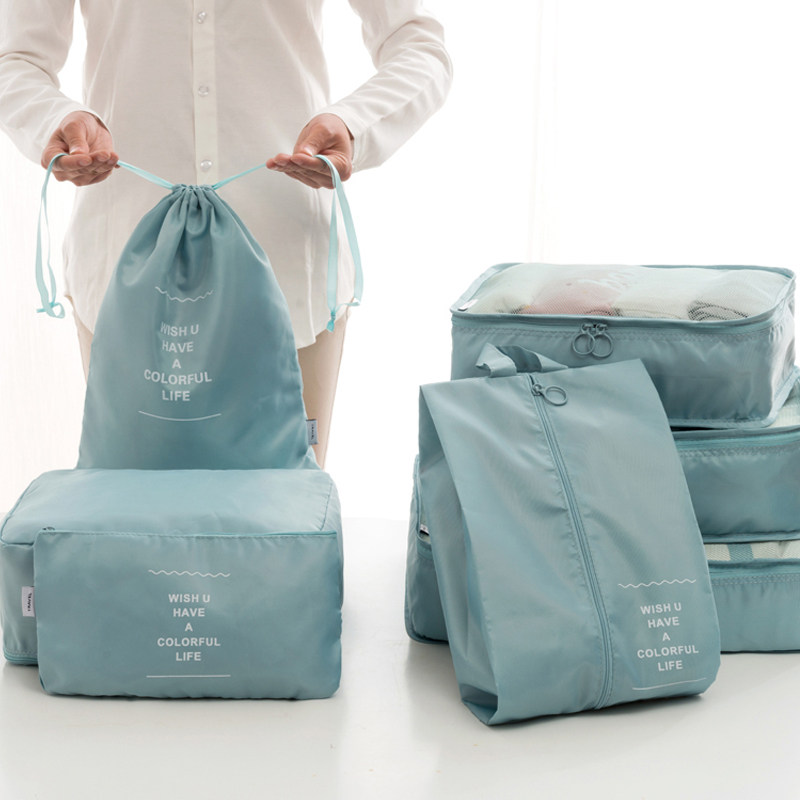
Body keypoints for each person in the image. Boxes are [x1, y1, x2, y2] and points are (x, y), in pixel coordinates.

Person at [0, 0, 452, 467]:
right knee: (133, 509)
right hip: (122, 277)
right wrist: (54, 121)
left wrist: (353, 126)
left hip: (291, 276)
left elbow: (417, 44)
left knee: (282, 510)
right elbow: (16, 60)